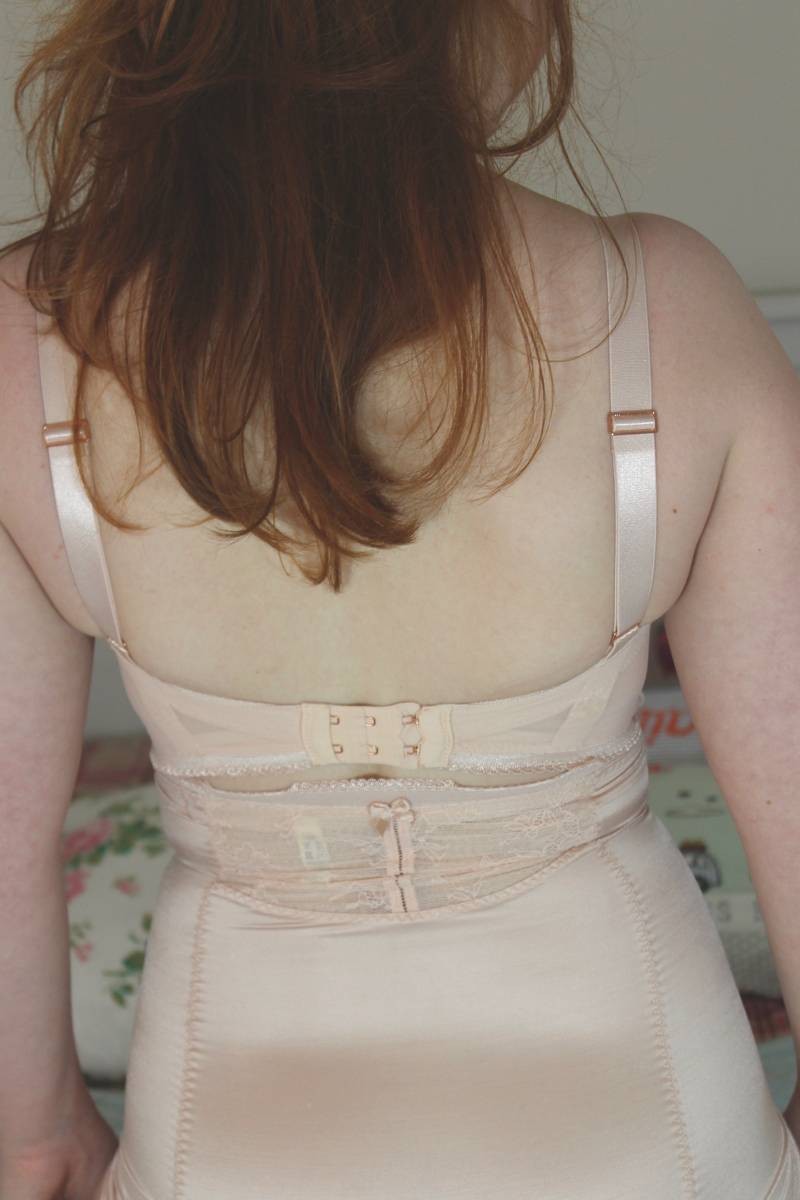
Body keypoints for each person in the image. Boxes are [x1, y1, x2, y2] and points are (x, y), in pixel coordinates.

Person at [1, 2, 798, 1197]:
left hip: (232, 1132)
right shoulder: (670, 309)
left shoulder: (26, 342)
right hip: (649, 1125)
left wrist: (35, 1125)